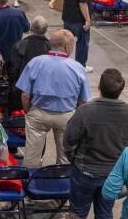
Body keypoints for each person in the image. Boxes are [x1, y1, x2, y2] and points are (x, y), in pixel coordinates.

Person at [65, 68, 128, 219]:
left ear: (99, 86)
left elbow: (69, 140)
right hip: (113, 175)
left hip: (84, 172)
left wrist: (75, 160)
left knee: (77, 216)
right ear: (121, 89)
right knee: (105, 214)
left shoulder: (85, 111)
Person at [16, 28, 92, 168]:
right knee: (65, 157)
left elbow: (25, 94)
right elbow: (83, 101)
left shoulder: (36, 62)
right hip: (66, 116)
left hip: (39, 112)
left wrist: (30, 112)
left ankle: (30, 183)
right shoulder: (77, 68)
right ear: (67, 46)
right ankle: (62, 184)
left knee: (32, 156)